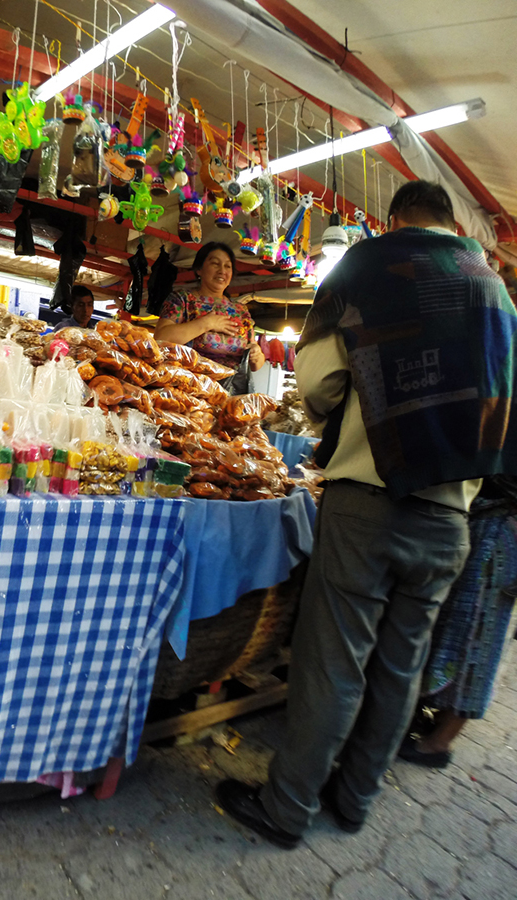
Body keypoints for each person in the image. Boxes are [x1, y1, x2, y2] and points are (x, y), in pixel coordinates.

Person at [215, 180, 517, 849]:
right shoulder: (495, 290)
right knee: (401, 667)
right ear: (451, 221)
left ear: (394, 218)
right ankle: (354, 800)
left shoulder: (371, 263)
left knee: (335, 663)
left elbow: (318, 383)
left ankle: (288, 808)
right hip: (452, 517)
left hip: (370, 501)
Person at [399, 476, 517, 767]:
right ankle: (436, 719)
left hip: (504, 537)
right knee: (457, 630)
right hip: (487, 524)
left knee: (479, 643)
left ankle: (439, 744)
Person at [154, 241, 266, 393]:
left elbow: (256, 364)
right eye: (215, 264)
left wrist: (256, 354)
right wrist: (206, 323)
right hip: (187, 390)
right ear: (199, 269)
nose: (222, 271)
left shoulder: (241, 311)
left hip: (229, 394)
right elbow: (161, 337)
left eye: (227, 266)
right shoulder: (182, 300)